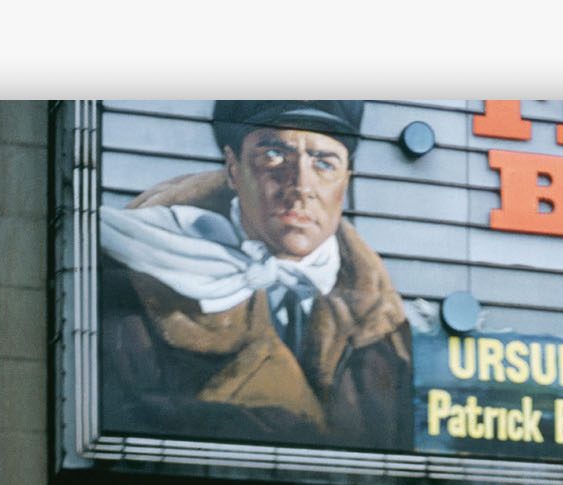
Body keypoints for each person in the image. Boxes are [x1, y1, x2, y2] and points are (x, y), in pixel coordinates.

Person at [101, 100, 412, 453]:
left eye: (324, 163)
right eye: (274, 156)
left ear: (346, 181)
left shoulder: (380, 322)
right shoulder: (140, 277)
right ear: (233, 168)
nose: (300, 186)